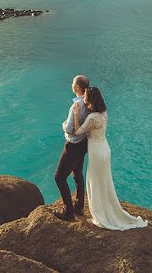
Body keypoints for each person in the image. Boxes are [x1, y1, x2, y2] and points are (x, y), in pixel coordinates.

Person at [72, 86, 147, 230]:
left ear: (90, 99)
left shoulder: (92, 117)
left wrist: (76, 114)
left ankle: (100, 214)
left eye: (86, 97)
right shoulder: (104, 113)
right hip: (105, 148)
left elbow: (78, 131)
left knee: (95, 181)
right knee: (104, 181)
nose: (84, 99)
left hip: (96, 151)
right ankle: (107, 208)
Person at [53, 75, 90, 221]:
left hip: (73, 145)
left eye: (73, 83)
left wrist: (63, 125)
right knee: (77, 173)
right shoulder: (89, 102)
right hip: (83, 144)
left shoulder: (76, 105)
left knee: (59, 177)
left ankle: (68, 212)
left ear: (77, 88)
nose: (71, 85)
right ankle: (79, 206)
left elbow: (69, 129)